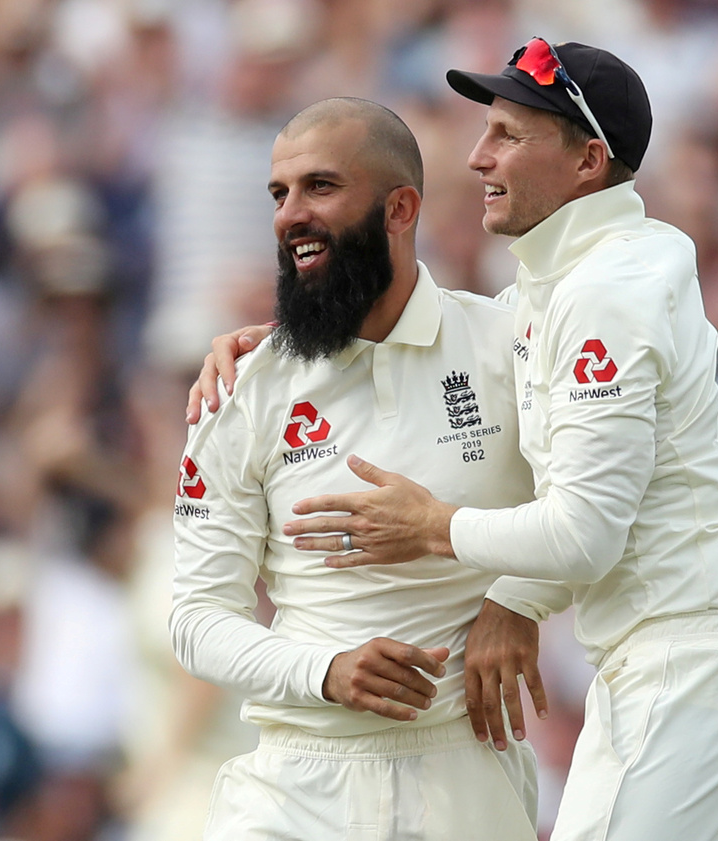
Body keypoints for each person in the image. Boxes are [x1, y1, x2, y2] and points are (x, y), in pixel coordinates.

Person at [272, 41, 718, 841]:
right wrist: (270, 353)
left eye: (508, 134)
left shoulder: (604, 291)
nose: (478, 155)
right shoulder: (579, 279)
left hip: (691, 685)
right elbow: (430, 334)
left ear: (587, 162)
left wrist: (433, 526)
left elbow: (584, 533)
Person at [170, 97, 549, 840]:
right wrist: (325, 669)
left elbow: (606, 499)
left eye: (320, 186)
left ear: (399, 208)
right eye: (279, 194)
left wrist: (522, 597)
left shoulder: (509, 346)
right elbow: (196, 619)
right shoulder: (242, 387)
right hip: (294, 789)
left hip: (465, 773)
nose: (289, 215)